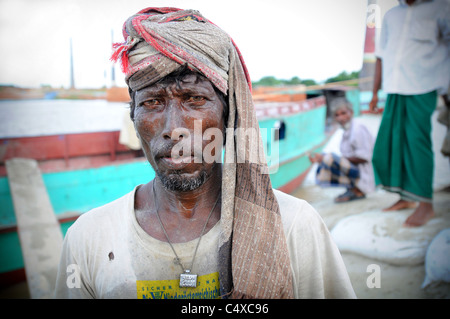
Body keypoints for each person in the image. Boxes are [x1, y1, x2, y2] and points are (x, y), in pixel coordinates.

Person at [54, 7, 356, 299]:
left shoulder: (294, 227)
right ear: (133, 117)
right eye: (152, 103)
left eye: (195, 99)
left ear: (229, 115)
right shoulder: (88, 240)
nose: (174, 128)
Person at [369, 0, 450, 227]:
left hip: (422, 87)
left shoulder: (441, 8)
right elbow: (380, 56)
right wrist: (375, 93)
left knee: (417, 144)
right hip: (394, 89)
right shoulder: (392, 15)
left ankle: (426, 205)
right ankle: (405, 197)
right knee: (388, 147)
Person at [309, 98, 375, 203]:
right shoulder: (346, 131)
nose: (341, 118)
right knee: (324, 160)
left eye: (343, 113)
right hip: (355, 171)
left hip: (365, 172)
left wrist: (329, 158)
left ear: (351, 112)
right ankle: (352, 189)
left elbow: (364, 157)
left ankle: (359, 190)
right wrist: (321, 158)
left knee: (329, 158)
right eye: (337, 115)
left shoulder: (358, 129)